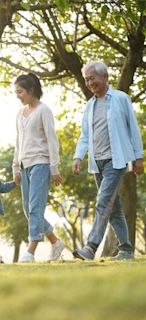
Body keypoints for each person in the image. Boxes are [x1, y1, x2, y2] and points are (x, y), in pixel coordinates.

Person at [72, 61, 144, 260]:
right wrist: (78, 156)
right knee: (113, 209)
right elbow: (85, 135)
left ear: (105, 77)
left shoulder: (121, 98)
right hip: (97, 162)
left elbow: (133, 129)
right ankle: (127, 249)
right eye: (86, 79)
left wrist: (139, 156)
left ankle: (90, 247)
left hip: (116, 160)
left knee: (103, 202)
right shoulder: (90, 105)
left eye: (92, 78)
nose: (89, 83)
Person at [12, 73, 65, 263]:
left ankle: (30, 251)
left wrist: (54, 168)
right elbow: (18, 142)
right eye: (16, 92)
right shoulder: (20, 113)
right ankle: (55, 241)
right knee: (29, 210)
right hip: (24, 165)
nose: (18, 95)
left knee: (35, 208)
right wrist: (15, 167)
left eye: (20, 92)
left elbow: (52, 140)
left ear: (31, 90)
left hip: (41, 163)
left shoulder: (44, 111)